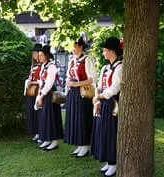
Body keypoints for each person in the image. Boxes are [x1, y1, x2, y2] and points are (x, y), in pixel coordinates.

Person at [90, 37, 123, 176]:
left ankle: (114, 163)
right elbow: (100, 86)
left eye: (104, 50)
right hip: (102, 103)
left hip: (112, 104)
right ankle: (108, 161)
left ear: (111, 51)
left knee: (111, 133)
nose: (103, 53)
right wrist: (97, 101)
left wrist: (99, 97)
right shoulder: (104, 67)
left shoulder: (120, 67)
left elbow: (114, 88)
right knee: (102, 132)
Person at [64, 37, 97, 157]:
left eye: (75, 46)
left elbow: (92, 78)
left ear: (81, 47)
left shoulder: (87, 60)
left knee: (82, 118)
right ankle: (79, 144)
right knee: (74, 118)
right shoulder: (71, 60)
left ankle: (85, 145)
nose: (73, 49)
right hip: (73, 93)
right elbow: (68, 75)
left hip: (83, 93)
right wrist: (68, 82)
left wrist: (77, 84)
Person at [35, 45, 64, 151]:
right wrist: (39, 94)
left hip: (49, 93)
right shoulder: (44, 66)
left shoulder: (52, 67)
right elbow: (41, 81)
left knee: (51, 117)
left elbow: (49, 83)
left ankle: (54, 141)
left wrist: (41, 95)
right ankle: (47, 139)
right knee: (44, 117)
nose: (39, 57)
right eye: (39, 55)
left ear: (46, 56)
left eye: (41, 55)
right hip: (44, 92)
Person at [24, 43, 42, 142]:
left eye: (36, 53)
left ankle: (40, 132)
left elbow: (41, 80)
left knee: (38, 112)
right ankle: (36, 132)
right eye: (33, 53)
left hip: (38, 91)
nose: (34, 55)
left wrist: (32, 82)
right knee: (33, 113)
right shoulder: (33, 65)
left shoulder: (42, 65)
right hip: (32, 92)